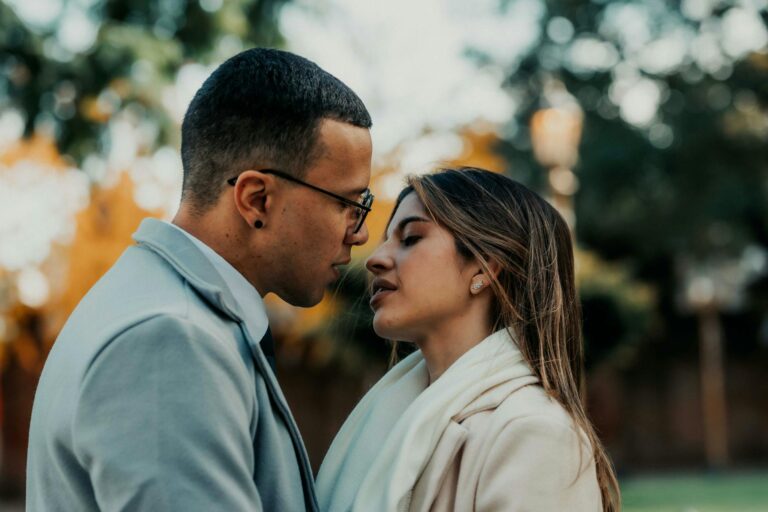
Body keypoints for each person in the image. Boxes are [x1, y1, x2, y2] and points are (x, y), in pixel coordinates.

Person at [26, 48, 373, 511]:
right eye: (348, 204)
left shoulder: (164, 307)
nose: (362, 231)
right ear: (257, 199)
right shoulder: (169, 338)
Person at [317, 167, 620, 511]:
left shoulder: (533, 433)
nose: (375, 258)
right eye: (387, 240)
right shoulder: (390, 419)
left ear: (485, 266)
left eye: (411, 238)